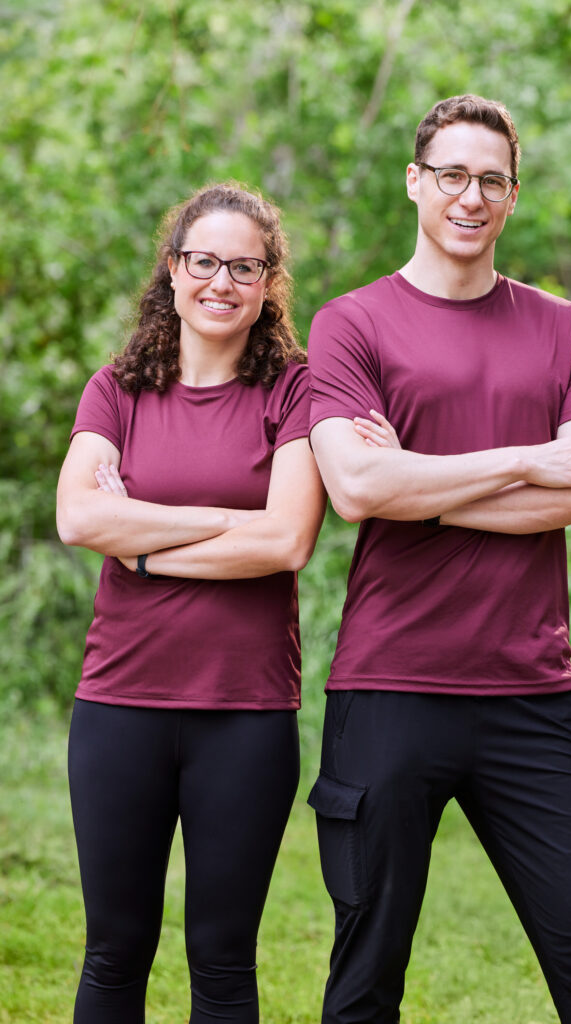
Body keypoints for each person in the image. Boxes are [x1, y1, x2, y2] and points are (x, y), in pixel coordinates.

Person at [306, 95, 571, 1023]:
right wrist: (526, 460)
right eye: (451, 174)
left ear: (512, 194)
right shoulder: (350, 324)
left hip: (532, 697)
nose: (470, 196)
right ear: (415, 181)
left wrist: (419, 480)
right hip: (388, 688)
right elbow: (356, 492)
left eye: (490, 179)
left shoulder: (565, 328)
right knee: (364, 980)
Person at [56, 182, 326, 1024]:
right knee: (113, 952)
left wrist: (139, 539)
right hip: (119, 706)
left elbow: (284, 542)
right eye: (204, 261)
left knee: (221, 961)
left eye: (244, 266)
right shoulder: (117, 389)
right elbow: (78, 516)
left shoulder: (295, 391)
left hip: (244, 714)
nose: (222, 282)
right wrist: (217, 521)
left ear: (267, 281)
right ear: (172, 271)